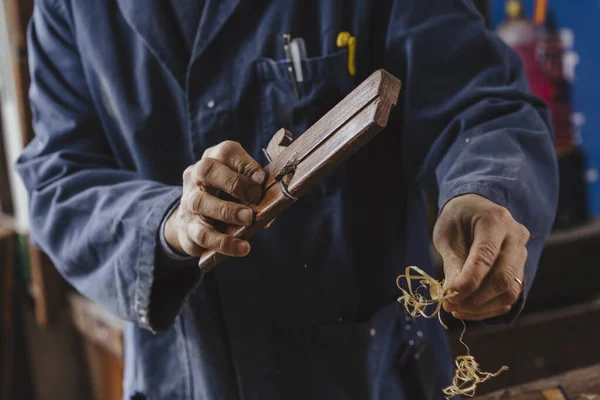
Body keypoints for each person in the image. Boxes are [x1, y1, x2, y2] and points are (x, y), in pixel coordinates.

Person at [17, 0, 558, 399]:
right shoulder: (70, 10)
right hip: (183, 378)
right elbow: (58, 181)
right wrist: (166, 222)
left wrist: (484, 192)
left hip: (372, 374)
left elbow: (481, 103)